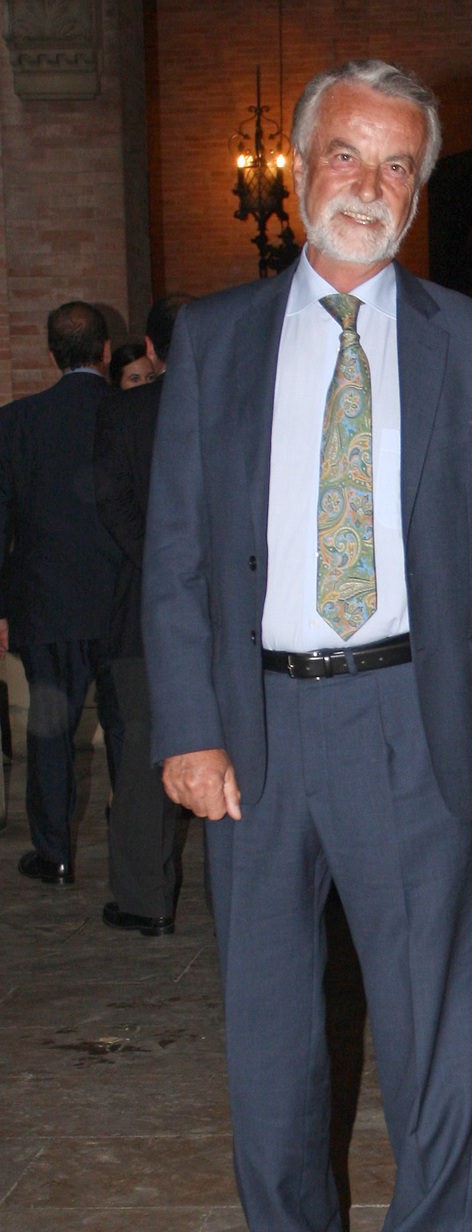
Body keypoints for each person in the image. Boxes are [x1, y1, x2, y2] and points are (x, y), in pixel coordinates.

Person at [142, 59, 472, 1232]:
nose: (371, 184)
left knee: (428, 1016)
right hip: (252, 722)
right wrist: (186, 725)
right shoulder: (217, 336)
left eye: (398, 165)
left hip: (406, 715)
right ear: (302, 168)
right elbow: (177, 549)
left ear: (419, 193)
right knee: (264, 1009)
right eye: (348, 156)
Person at [0, 301, 123, 884]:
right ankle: (136, 855)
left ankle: (54, 854)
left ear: (51, 354)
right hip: (122, 604)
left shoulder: (15, 422)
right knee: (128, 732)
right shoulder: (128, 412)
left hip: (46, 605)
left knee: (49, 733)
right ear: (105, 351)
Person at [94, 296, 190, 936]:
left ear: (151, 349)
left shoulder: (125, 412)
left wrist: (159, 565)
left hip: (144, 611)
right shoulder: (241, 405)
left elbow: (111, 502)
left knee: (141, 756)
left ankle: (145, 900)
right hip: (234, 611)